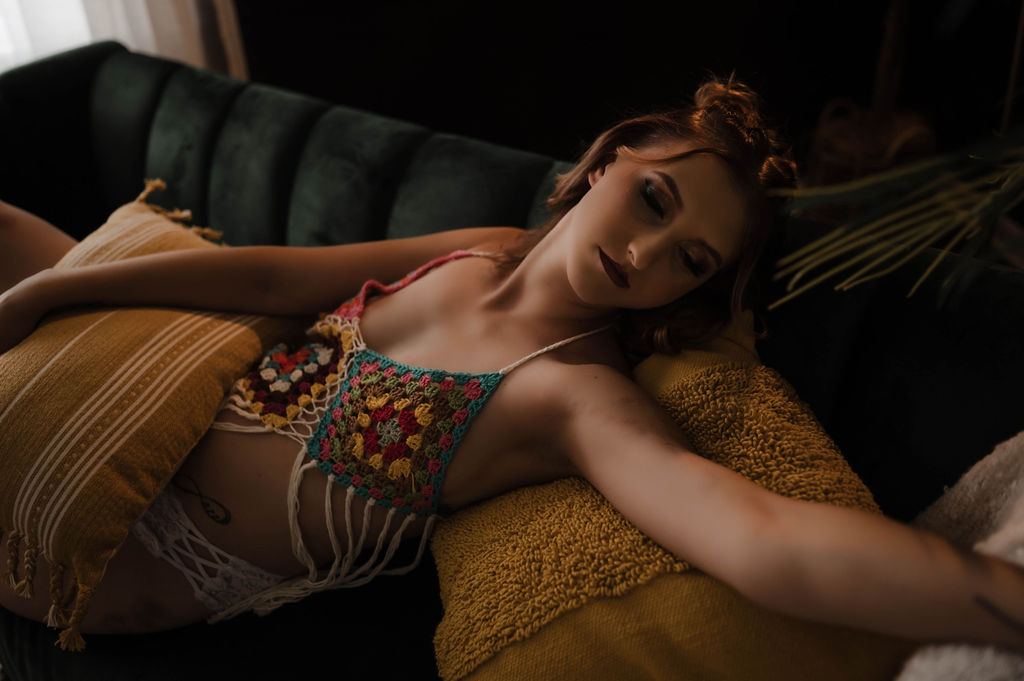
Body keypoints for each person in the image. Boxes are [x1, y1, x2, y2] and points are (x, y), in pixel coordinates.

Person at [1, 76, 1023, 654]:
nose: (643, 257)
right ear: (614, 157)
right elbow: (278, 283)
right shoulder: (487, 245)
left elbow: (760, 539)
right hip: (173, 397)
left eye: (689, 264)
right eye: (654, 205)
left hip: (145, 549)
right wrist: (53, 292)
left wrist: (1007, 602)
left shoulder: (571, 398)